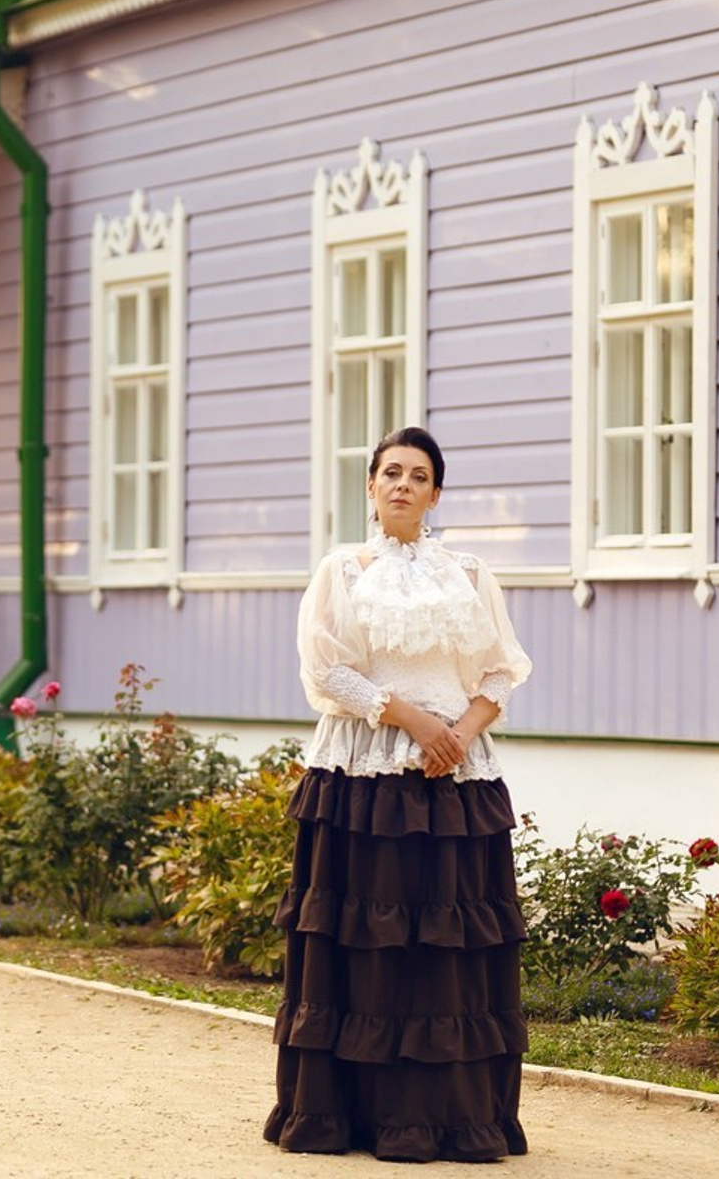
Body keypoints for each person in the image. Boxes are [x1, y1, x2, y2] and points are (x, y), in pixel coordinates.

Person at [263, 426, 532, 1163]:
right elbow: (327, 675)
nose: (403, 485)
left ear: (436, 493)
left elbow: (500, 672)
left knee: (443, 951)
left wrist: (458, 734)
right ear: (371, 488)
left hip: (455, 779)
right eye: (391, 473)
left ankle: (451, 1117)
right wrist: (415, 721)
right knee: (368, 943)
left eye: (418, 475)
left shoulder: (471, 574)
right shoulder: (342, 572)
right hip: (363, 776)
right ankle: (346, 1115)